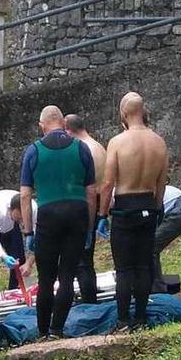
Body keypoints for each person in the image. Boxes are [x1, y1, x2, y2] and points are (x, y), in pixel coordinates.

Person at [19, 106, 96, 340]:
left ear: (41, 125)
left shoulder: (34, 151)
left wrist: (28, 231)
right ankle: (57, 330)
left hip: (48, 215)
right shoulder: (81, 148)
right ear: (63, 123)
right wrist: (91, 226)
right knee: (67, 276)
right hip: (77, 213)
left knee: (45, 279)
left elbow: (24, 195)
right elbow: (91, 192)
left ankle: (42, 331)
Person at [98, 92, 169, 332]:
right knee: (143, 265)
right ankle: (140, 317)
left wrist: (101, 214)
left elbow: (107, 183)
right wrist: (157, 206)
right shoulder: (158, 142)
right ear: (143, 110)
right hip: (148, 204)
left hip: (125, 207)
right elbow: (161, 182)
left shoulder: (118, 142)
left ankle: (122, 319)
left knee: (124, 268)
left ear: (123, 113)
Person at [65, 114, 105, 303]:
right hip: (98, 205)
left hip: (86, 206)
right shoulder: (98, 146)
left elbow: (84, 187)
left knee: (81, 262)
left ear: (68, 131)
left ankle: (88, 302)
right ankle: (89, 299)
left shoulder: (82, 150)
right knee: (86, 260)